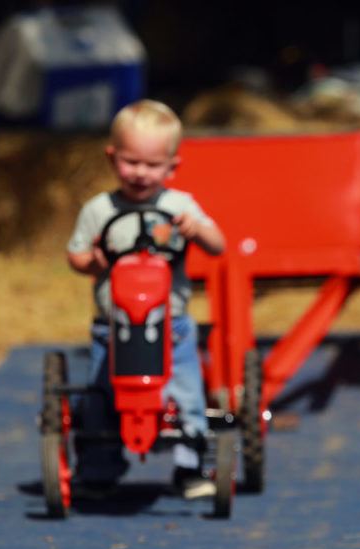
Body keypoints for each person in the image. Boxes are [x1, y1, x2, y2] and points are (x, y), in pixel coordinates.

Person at [66, 99, 225, 498]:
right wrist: (92, 261)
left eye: (152, 165)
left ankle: (190, 467)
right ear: (112, 157)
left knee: (188, 392)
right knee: (102, 396)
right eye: (131, 162)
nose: (140, 173)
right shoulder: (99, 210)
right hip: (113, 328)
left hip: (169, 326)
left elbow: (218, 244)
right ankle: (100, 467)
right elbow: (77, 254)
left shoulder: (179, 206)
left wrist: (196, 230)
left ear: (172, 167)